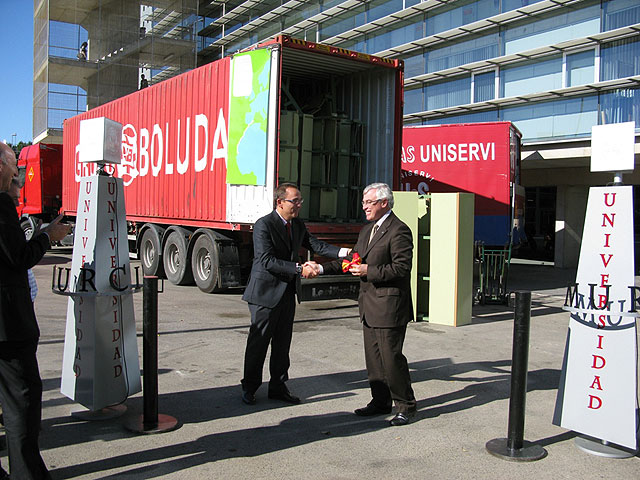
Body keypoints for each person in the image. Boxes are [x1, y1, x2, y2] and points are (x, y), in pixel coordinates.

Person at [311, 182, 417, 426]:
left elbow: (402, 268)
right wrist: (320, 267)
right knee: (374, 361)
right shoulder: (367, 230)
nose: (364, 207)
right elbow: (352, 260)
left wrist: (370, 270)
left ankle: (406, 406)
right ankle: (380, 402)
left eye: (369, 203)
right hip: (369, 305)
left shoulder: (399, 230)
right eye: (363, 202)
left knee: (391, 359)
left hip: (389, 306)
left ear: (384, 203)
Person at [241, 183, 348, 406]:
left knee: (282, 344)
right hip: (265, 294)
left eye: (300, 201)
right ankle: (249, 387)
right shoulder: (264, 225)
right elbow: (266, 260)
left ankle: (278, 387)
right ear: (280, 202)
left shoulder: (297, 225)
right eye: (295, 201)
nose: (299, 205)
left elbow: (315, 245)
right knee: (258, 343)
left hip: (287, 293)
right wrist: (299, 269)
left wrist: (344, 253)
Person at [0, 142, 70, 479]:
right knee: (22, 403)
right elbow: (18, 258)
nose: (18, 174)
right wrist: (48, 237)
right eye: (14, 165)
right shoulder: (1, 208)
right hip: (9, 330)